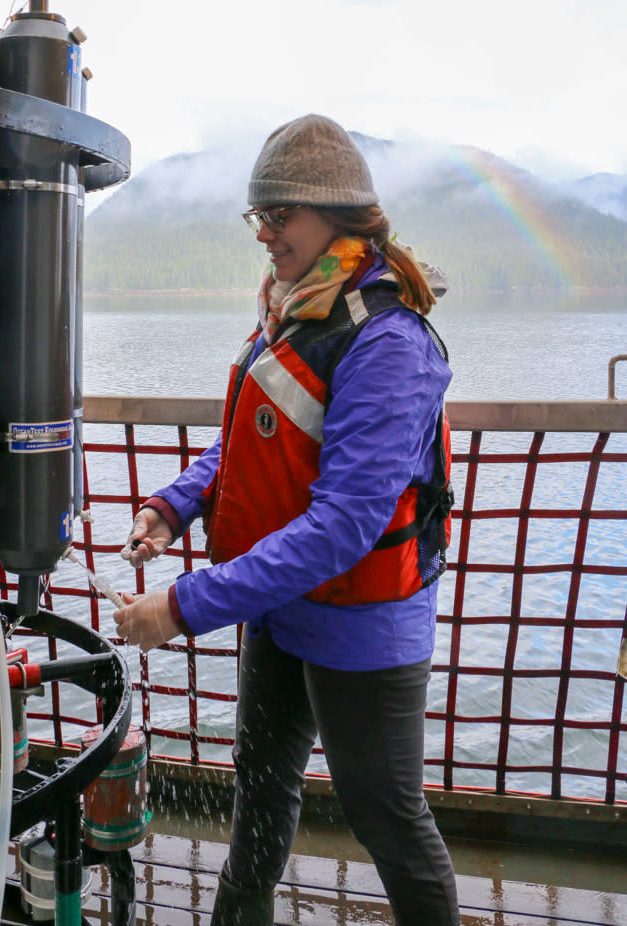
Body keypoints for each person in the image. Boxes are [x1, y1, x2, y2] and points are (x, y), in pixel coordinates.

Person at [114, 113, 459, 925]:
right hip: (277, 603)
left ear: (337, 216)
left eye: (279, 216)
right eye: (257, 216)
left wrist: (182, 604)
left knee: (386, 817)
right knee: (260, 785)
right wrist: (174, 505)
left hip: (361, 623)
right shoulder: (294, 306)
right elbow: (249, 449)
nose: (263, 234)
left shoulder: (387, 340)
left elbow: (344, 524)